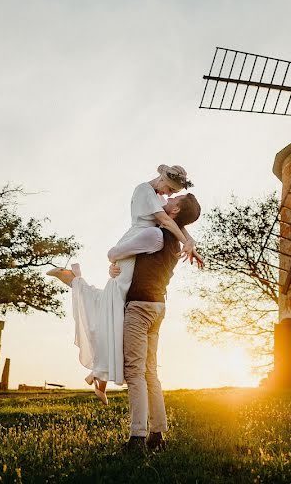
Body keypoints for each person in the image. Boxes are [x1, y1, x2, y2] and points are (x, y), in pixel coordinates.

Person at [48, 165, 202, 403]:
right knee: (109, 309)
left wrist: (189, 241)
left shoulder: (159, 199)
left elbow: (176, 222)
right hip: (135, 244)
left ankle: (100, 376)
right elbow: (165, 220)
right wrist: (187, 242)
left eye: (174, 192)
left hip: (137, 250)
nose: (169, 194)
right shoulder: (144, 191)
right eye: (170, 188)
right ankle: (74, 281)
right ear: (162, 177)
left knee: (112, 314)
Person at [111, 193, 201, 454]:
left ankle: (137, 438)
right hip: (157, 306)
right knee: (150, 371)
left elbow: (115, 252)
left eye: (176, 198)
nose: (170, 197)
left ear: (174, 212)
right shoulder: (175, 238)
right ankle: (157, 434)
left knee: (135, 372)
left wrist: (113, 261)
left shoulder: (156, 235)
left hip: (140, 307)